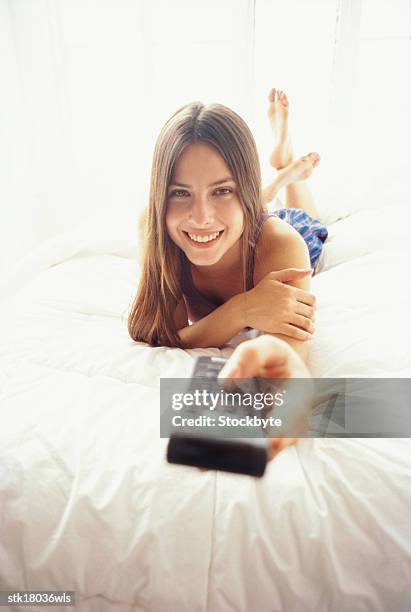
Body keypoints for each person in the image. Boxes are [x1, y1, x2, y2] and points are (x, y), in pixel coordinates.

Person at [128, 87, 328, 373]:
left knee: (309, 220)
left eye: (222, 190)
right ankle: (281, 174)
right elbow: (162, 334)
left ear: (245, 191)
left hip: (272, 232)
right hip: (240, 225)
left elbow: (286, 363)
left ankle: (286, 165)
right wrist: (242, 309)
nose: (200, 218)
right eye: (180, 193)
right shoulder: (155, 227)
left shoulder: (283, 244)